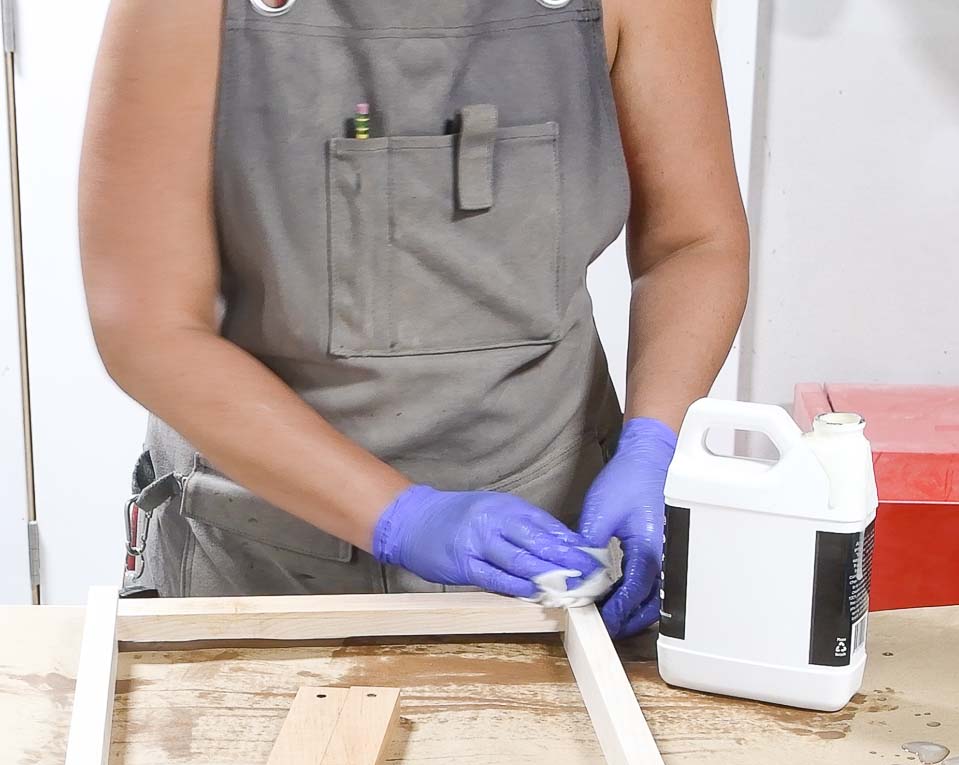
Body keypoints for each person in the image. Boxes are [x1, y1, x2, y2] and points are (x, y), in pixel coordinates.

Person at [80, 0, 748, 638]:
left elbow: (692, 242)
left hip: (549, 552)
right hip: (260, 554)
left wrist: (654, 443)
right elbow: (148, 326)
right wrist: (401, 516)